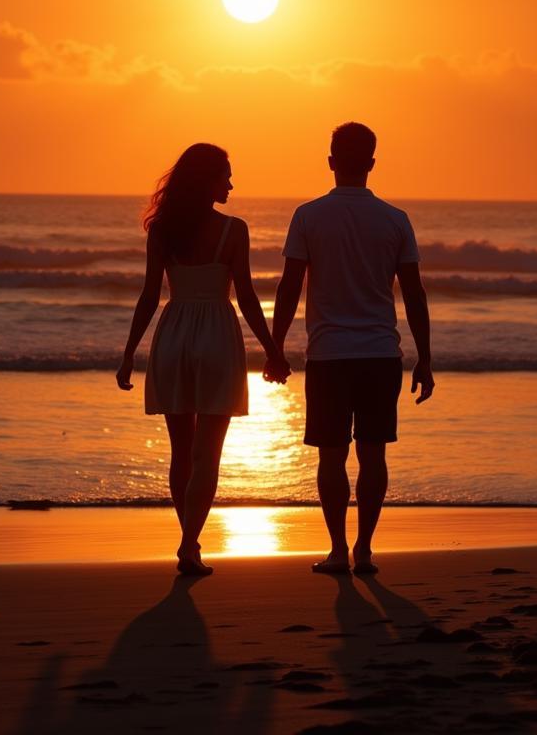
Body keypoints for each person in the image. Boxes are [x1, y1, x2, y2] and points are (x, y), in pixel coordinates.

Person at [265, 122, 433, 575]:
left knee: (331, 455)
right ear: (372, 164)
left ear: (331, 161)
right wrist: (426, 357)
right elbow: (414, 294)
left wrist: (275, 346)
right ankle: (364, 549)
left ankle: (338, 549)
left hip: (329, 355)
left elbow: (289, 286)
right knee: (373, 453)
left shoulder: (308, 215)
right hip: (381, 354)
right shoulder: (395, 219)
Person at [117, 144, 290, 576]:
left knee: (181, 453)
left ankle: (189, 542)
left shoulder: (163, 230)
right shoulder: (234, 230)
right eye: (225, 176)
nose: (230, 184)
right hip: (216, 335)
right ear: (206, 180)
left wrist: (128, 354)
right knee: (207, 454)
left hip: (173, 334)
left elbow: (149, 296)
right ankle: (189, 543)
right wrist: (272, 350)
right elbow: (247, 297)